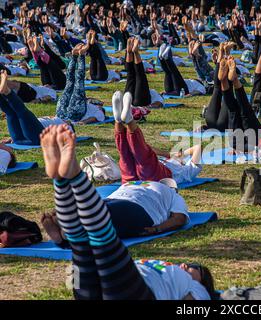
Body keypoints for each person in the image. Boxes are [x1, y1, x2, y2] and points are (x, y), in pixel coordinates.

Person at [39, 124, 215, 300]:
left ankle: (65, 179)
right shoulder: (176, 272)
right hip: (118, 204)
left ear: (201, 283)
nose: (186, 263)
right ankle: (63, 222)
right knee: (86, 239)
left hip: (141, 213)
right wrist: (172, 155)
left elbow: (180, 218)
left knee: (99, 234)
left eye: (195, 267)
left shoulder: (173, 195)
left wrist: (157, 229)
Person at [111, 90, 203, 185]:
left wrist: (174, 155)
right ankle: (119, 119)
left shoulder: (188, 172)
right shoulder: (170, 161)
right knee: (127, 154)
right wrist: (174, 155)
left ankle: (123, 119)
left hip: (158, 178)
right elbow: (146, 148)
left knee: (131, 156)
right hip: (137, 176)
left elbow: (198, 148)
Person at [55, 43, 105, 125]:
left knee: (75, 81)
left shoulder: (99, 111)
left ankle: (79, 55)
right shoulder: (88, 105)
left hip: (73, 113)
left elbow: (94, 118)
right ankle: (75, 56)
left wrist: (84, 122)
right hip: (61, 114)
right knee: (70, 82)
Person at [124, 36, 163, 108]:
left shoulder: (153, 93)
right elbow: (158, 104)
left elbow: (159, 103)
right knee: (133, 74)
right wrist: (148, 106)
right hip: (131, 101)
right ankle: (132, 52)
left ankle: (130, 52)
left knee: (135, 75)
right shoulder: (154, 93)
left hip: (133, 101)